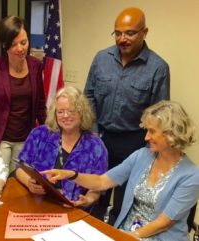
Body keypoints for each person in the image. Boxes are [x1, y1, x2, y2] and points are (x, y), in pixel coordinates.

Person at [42, 100, 199, 241]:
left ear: (170, 134)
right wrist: (71, 175)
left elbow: (164, 223)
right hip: (126, 233)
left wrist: (128, 237)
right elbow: (103, 181)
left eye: (151, 131)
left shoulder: (191, 176)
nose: (146, 137)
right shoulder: (142, 155)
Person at [84, 7, 170, 222]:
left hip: (134, 144)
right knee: (93, 198)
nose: (123, 39)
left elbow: (160, 114)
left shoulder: (158, 68)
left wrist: (151, 150)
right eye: (118, 33)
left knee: (123, 205)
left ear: (145, 32)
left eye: (130, 33)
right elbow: (89, 97)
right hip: (100, 138)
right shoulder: (101, 58)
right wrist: (93, 132)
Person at [0, 15, 47, 174]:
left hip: (26, 138)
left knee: (21, 182)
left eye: (24, 42)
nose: (20, 48)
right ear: (5, 45)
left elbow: (40, 104)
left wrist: (47, 134)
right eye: (14, 44)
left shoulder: (35, 66)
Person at [15, 86, 108, 211]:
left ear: (82, 112)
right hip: (36, 204)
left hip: (73, 210)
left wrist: (88, 200)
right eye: (60, 111)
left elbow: (98, 186)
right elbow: (20, 167)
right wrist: (28, 182)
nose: (65, 116)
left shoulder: (96, 146)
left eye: (71, 111)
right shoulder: (39, 134)